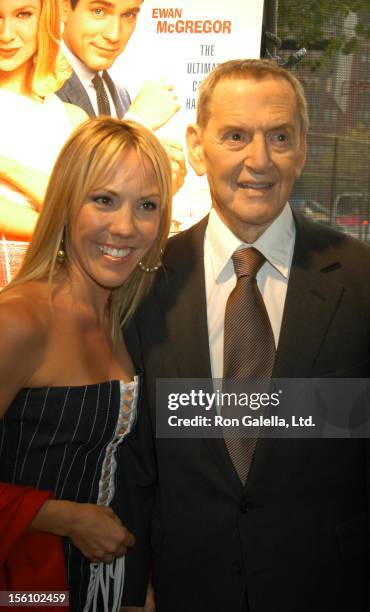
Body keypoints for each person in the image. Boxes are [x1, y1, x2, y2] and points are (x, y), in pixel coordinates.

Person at [123, 59, 370, 612]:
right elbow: (135, 465)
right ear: (197, 148)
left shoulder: (368, 281)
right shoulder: (147, 278)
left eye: (279, 137)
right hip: (188, 591)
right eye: (235, 136)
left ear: (302, 148)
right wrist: (133, 591)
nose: (260, 160)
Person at [0, 117, 172, 611]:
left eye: (146, 206)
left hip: (106, 590)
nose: (124, 226)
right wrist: (60, 517)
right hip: (27, 590)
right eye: (103, 200)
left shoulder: (125, 320)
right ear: (65, 204)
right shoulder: (21, 320)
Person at [0, 0, 88, 287]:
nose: (7, 33)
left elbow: (84, 210)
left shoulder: (71, 118)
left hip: (58, 294)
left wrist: (9, 168)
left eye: (23, 14)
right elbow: (77, 218)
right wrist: (64, 230)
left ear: (45, 18)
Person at [58, 0, 186, 194]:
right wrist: (137, 123)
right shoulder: (35, 87)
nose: (114, 35)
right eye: (99, 11)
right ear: (64, 8)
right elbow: (64, 196)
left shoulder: (120, 94)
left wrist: (154, 184)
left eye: (128, 15)